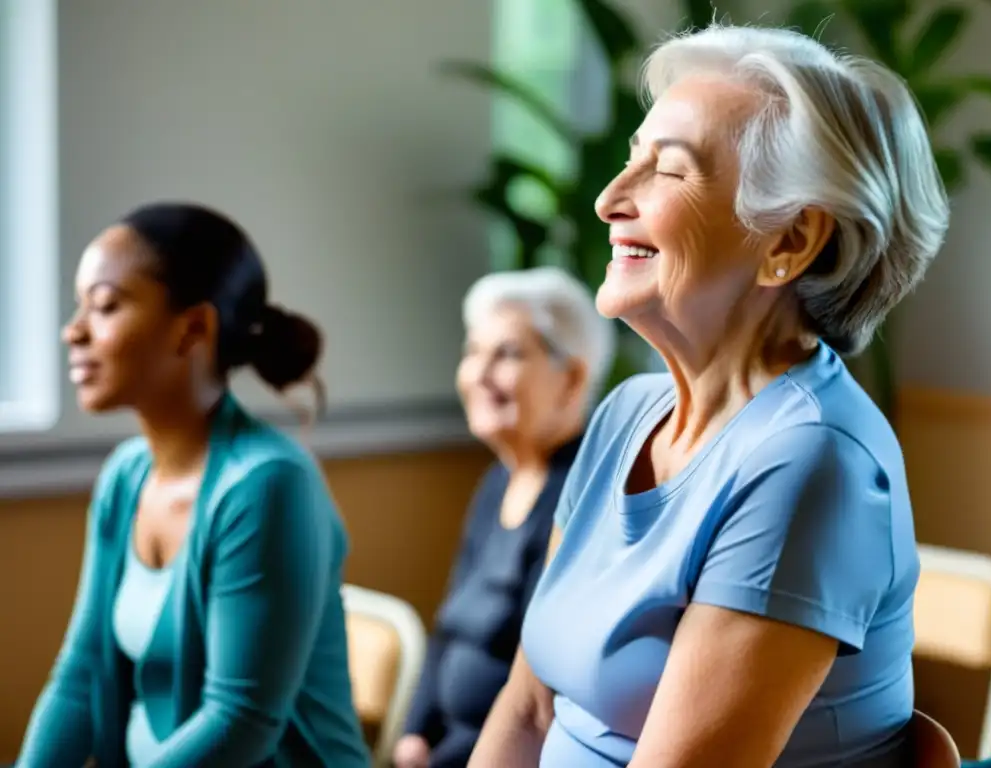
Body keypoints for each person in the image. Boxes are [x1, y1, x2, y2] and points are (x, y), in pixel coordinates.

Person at [468, 23, 951, 768]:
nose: (607, 200)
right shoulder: (626, 413)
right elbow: (530, 709)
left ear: (788, 242)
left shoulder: (811, 462)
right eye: (632, 159)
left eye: (668, 171)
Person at [16, 203, 370, 767]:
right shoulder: (125, 477)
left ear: (194, 327)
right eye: (80, 305)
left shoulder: (267, 486)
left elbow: (240, 722)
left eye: (105, 305)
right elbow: (80, 673)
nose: (73, 330)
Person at [391, 267, 615, 768]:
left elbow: (544, 687)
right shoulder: (498, 481)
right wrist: (413, 735)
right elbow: (448, 624)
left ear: (572, 378)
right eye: (473, 353)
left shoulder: (581, 492)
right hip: (449, 747)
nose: (478, 374)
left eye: (507, 354)